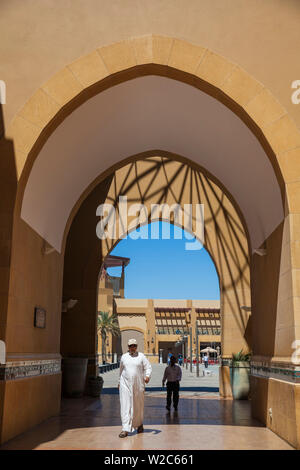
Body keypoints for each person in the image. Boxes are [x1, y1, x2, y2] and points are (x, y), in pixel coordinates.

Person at [118, 338, 152, 438]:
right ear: (128, 347)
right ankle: (125, 429)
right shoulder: (124, 357)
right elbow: (121, 370)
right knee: (125, 406)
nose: (133, 347)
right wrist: (119, 382)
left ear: (136, 347)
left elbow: (148, 367)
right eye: (131, 346)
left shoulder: (141, 356)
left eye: (134, 346)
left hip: (138, 385)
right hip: (125, 385)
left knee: (138, 406)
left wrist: (147, 376)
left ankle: (139, 424)